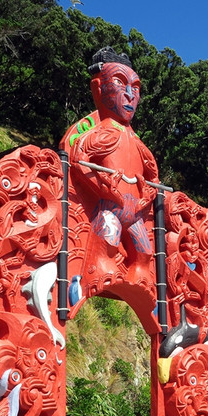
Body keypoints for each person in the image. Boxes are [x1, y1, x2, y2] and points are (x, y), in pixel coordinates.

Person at [63, 48, 160, 289]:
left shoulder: (138, 144)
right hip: (109, 208)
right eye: (120, 83)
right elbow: (78, 159)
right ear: (98, 87)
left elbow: (153, 176)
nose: (129, 95)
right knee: (106, 242)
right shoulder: (101, 134)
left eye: (135, 88)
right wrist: (104, 188)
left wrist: (145, 198)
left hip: (135, 213)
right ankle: (100, 271)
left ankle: (139, 280)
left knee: (145, 254)